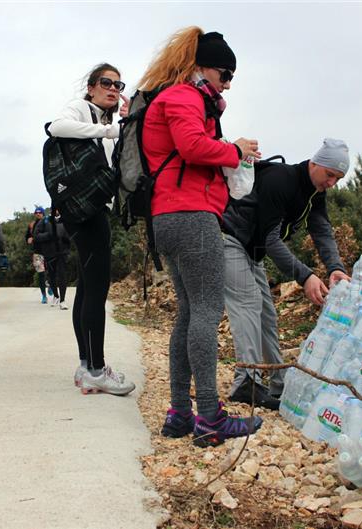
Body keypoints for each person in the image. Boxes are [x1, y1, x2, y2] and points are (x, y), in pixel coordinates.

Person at [138, 27, 263, 446]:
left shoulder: (174, 97)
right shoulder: (184, 96)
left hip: (168, 217)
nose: (227, 83)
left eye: (231, 77)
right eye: (224, 73)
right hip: (190, 213)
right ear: (199, 67)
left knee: (190, 313)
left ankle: (179, 413)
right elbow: (191, 147)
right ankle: (210, 417)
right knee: (208, 311)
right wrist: (236, 151)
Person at [222, 138, 352, 409]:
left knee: (267, 314)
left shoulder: (315, 194)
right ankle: (246, 381)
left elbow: (322, 230)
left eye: (337, 179)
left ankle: (278, 382)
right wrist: (305, 276)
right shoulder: (282, 179)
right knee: (248, 303)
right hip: (230, 238)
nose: (331, 183)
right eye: (330, 175)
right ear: (315, 163)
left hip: (252, 249)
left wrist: (335, 267)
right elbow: (271, 239)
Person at [47, 62, 135, 395]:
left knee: (87, 286)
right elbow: (56, 127)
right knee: (96, 287)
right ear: (91, 86)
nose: (113, 88)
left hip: (92, 208)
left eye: (118, 84)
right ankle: (97, 369)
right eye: (106, 82)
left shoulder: (108, 120)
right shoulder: (81, 109)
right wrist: (108, 132)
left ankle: (86, 366)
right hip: (82, 209)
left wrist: (123, 125)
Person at [33, 208, 71, 310]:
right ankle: (56, 296)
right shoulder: (45, 221)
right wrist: (48, 236)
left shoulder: (66, 219)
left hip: (62, 253)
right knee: (51, 276)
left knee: (62, 275)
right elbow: (36, 236)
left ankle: (63, 300)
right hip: (49, 253)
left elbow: (72, 235)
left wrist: (66, 237)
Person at [25, 206, 49, 303]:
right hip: (37, 252)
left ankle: (51, 285)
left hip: (48, 251)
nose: (38, 214)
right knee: (41, 274)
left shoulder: (48, 223)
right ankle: (44, 295)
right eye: (37, 213)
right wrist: (28, 239)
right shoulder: (32, 225)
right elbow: (27, 236)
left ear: (43, 214)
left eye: (40, 212)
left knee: (50, 272)